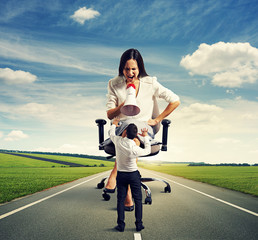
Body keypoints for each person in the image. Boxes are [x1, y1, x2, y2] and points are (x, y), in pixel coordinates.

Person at [105, 48, 180, 209]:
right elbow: (110, 115)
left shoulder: (150, 83)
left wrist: (158, 119)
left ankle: (117, 174)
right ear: (121, 68)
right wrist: (123, 105)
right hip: (122, 126)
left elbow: (175, 100)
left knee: (135, 129)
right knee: (129, 127)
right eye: (127, 69)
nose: (130, 73)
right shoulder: (114, 84)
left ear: (140, 68)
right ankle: (128, 193)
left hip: (145, 126)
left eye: (134, 69)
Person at [110, 117, 151, 232]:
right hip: (133, 175)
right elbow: (147, 150)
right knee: (138, 200)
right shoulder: (135, 149)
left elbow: (111, 133)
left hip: (121, 175)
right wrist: (145, 136)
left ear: (125, 133)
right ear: (135, 135)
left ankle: (121, 225)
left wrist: (114, 124)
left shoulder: (118, 141)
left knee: (120, 200)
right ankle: (139, 224)